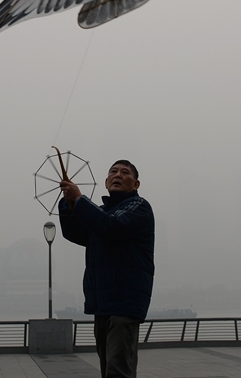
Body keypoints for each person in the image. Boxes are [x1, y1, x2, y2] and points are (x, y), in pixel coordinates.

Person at [59, 159, 155, 378]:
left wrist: (80, 199)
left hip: (125, 302)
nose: (118, 175)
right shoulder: (101, 212)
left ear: (136, 184)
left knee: (118, 370)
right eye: (113, 171)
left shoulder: (139, 207)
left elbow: (111, 227)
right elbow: (75, 233)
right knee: (108, 368)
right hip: (103, 303)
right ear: (106, 181)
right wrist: (69, 204)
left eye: (124, 172)